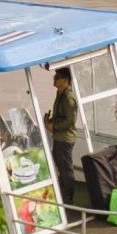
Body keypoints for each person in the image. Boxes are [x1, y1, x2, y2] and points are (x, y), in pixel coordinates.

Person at [46, 66, 79, 205]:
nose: (54, 79)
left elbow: (70, 120)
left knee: (65, 167)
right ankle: (63, 193)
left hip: (65, 138)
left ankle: (68, 198)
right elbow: (60, 116)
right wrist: (50, 120)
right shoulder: (60, 93)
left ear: (65, 80)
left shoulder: (68, 97)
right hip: (59, 137)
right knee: (60, 164)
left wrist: (53, 126)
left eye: (57, 77)